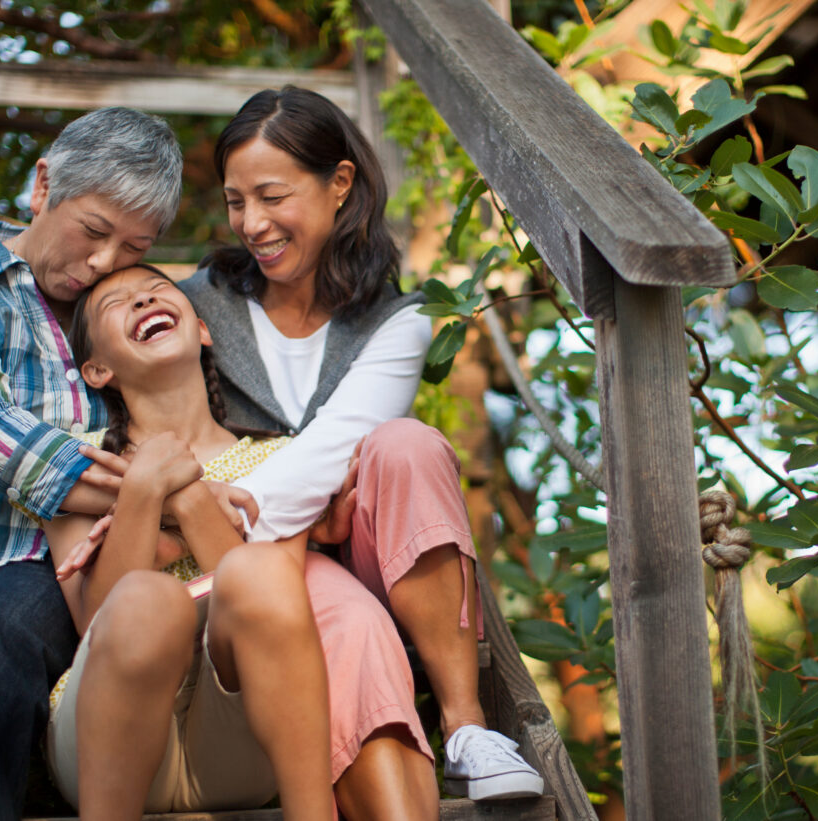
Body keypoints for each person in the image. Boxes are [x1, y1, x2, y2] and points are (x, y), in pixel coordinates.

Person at [181, 85, 545, 801]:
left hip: (365, 552)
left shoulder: (398, 320)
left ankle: (467, 726)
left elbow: (340, 442)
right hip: (257, 575)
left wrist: (242, 493)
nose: (251, 222)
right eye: (235, 201)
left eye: (272, 195)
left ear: (339, 183)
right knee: (344, 620)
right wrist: (307, 511)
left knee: (406, 444)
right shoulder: (200, 305)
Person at [50, 263, 436, 820]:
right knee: (148, 601)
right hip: (107, 742)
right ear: (96, 370)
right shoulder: (76, 461)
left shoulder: (282, 461)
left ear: (203, 330)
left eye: (156, 290)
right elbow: (95, 617)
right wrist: (143, 484)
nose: (142, 300)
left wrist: (183, 496)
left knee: (264, 571)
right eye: (118, 303)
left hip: (235, 737)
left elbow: (265, 600)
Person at [0, 107, 182, 821]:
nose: (104, 262)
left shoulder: (113, 317)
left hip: (44, 561)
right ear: (43, 185)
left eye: (133, 246)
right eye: (92, 230)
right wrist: (152, 493)